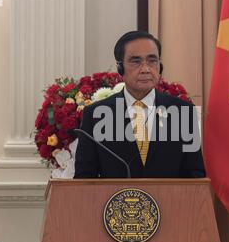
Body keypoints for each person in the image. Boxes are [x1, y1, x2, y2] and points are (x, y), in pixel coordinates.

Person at [74, 31, 205, 178]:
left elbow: (196, 176)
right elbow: (83, 178)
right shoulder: (95, 115)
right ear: (120, 68)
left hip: (169, 201)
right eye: (136, 61)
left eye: (152, 60)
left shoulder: (183, 112)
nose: (145, 69)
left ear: (160, 66)